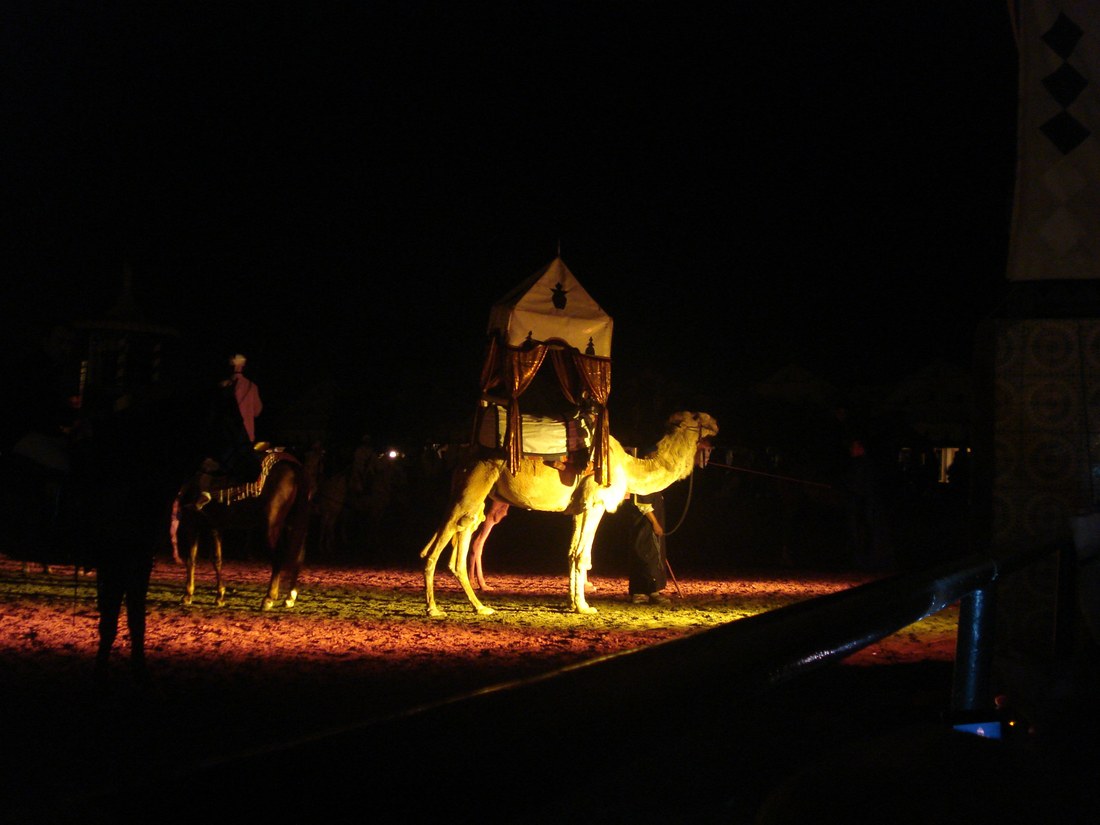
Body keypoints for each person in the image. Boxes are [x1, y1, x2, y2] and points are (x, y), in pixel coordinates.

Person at [627, 489, 670, 605]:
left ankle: (653, 590)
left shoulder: (656, 487)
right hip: (643, 528)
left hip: (652, 528)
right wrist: (655, 523)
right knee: (643, 554)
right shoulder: (641, 485)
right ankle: (639, 591)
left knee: (655, 556)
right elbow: (643, 505)